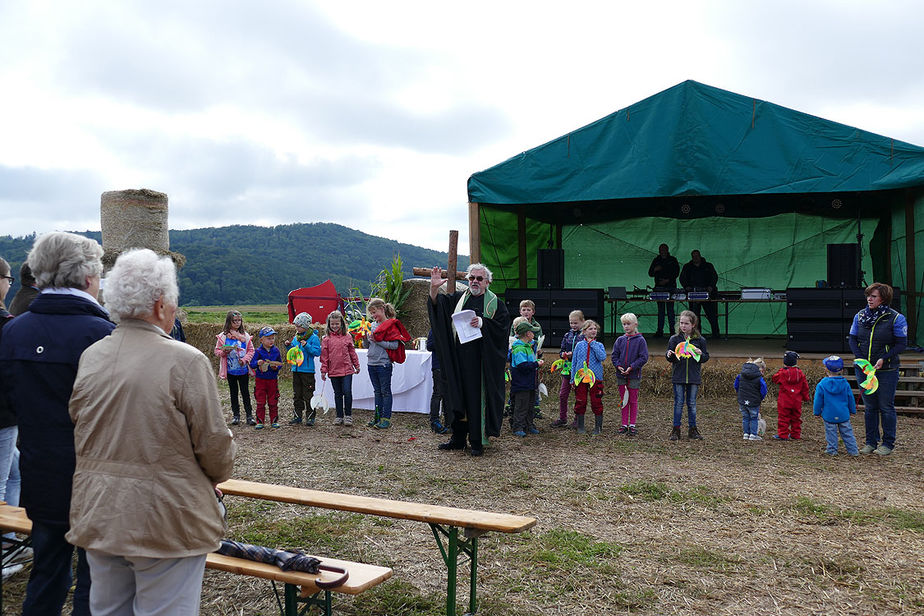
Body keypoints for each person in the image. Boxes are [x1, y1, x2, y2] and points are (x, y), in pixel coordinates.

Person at [66, 248, 236, 615]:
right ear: (161, 306)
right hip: (165, 519)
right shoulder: (185, 359)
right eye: (174, 303)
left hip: (100, 513)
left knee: (107, 609)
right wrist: (214, 474)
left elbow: (80, 425)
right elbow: (215, 447)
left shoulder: (93, 355)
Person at [0, 231, 115, 615]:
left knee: (47, 573)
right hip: (95, 479)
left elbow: (8, 405)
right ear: (87, 278)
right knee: (95, 581)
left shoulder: (13, 331)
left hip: (39, 473)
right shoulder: (103, 335)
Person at [428, 264, 510, 457]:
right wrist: (433, 288)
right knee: (457, 396)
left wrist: (483, 323)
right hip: (458, 358)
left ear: (487, 282)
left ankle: (476, 441)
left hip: (481, 362)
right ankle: (457, 438)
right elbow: (437, 307)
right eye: (471, 278)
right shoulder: (459, 299)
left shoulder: (495, 304)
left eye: (479, 279)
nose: (474, 281)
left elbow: (502, 330)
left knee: (475, 400)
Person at [848, 282, 907, 456]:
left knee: (886, 406)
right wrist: (860, 359)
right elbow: (852, 338)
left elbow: (901, 344)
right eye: (868, 295)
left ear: (883, 298)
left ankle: (888, 443)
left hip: (887, 369)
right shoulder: (860, 316)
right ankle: (870, 442)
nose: (869, 299)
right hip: (864, 369)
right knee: (870, 406)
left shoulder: (896, 318)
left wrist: (884, 358)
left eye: (873, 296)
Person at [666, 310, 709, 441]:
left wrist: (700, 353)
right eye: (681, 323)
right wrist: (669, 355)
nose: (683, 326)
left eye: (686, 323)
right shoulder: (674, 339)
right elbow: (670, 358)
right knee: (678, 403)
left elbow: (705, 357)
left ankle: (693, 429)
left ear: (693, 324)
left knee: (692, 403)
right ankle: (676, 429)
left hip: (693, 377)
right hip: (678, 376)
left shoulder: (700, 340)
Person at [365, 298, 405, 429]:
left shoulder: (391, 325)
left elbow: (394, 345)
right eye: (371, 313)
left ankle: (385, 418)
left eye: (374, 312)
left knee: (385, 391)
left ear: (382, 309)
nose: (373, 315)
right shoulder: (372, 325)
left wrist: (377, 341)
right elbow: (369, 345)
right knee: (377, 391)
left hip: (383, 364)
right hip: (371, 362)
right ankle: (377, 417)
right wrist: (366, 338)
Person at [215, 310, 256, 426]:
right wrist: (224, 351)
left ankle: (249, 415)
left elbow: (251, 350)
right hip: (230, 371)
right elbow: (217, 351)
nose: (237, 323)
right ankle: (236, 416)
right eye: (235, 321)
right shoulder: (223, 337)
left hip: (242, 370)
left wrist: (245, 360)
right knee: (233, 393)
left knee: (245, 393)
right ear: (229, 322)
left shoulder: (245, 336)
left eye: (239, 320)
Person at [611, 312, 649, 436]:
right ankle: (623, 424)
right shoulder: (620, 340)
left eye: (628, 324)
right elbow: (614, 356)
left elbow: (643, 357)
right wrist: (619, 366)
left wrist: (632, 367)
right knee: (624, 400)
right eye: (624, 324)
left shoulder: (640, 340)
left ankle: (632, 424)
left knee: (632, 399)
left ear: (635, 324)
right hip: (621, 375)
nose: (626, 326)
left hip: (634, 375)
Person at [320, 310, 360, 426]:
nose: (335, 326)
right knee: (337, 393)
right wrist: (324, 370)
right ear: (329, 324)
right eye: (332, 324)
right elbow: (324, 356)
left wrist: (356, 365)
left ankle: (348, 415)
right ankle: (339, 416)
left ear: (341, 323)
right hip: (333, 371)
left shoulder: (347, 337)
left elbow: (352, 352)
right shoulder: (326, 339)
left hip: (347, 369)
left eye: (337, 324)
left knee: (347, 392)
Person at [813, 355, 859, 456]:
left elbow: (818, 400)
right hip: (843, 413)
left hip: (829, 414)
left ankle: (832, 450)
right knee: (847, 433)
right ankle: (853, 450)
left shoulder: (822, 384)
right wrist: (852, 410)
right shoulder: (845, 384)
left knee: (831, 433)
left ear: (826, 369)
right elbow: (850, 398)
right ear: (841, 370)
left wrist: (817, 412)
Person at [508, 299, 544, 417]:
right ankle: (512, 405)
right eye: (524, 309)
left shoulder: (536, 326)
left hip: (532, 355)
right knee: (518, 383)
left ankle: (535, 406)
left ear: (533, 312)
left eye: (528, 310)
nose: (526, 312)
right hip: (522, 358)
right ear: (520, 311)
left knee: (534, 381)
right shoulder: (516, 324)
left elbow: (538, 340)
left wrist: (538, 352)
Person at [285, 312, 322, 426]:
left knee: (308, 394)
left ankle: (310, 417)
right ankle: (297, 416)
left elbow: (317, 352)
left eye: (299, 326)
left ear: (305, 326)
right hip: (296, 370)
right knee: (297, 394)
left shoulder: (314, 338)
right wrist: (288, 346)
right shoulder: (296, 337)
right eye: (296, 326)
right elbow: (294, 352)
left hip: (307, 371)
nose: (296, 328)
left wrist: (307, 345)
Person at [509, 318, 543, 437]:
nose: (534, 334)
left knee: (530, 405)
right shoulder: (519, 349)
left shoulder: (528, 347)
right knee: (521, 406)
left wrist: (536, 360)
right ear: (528, 334)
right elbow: (522, 366)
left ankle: (529, 425)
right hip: (521, 384)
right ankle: (517, 427)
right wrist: (536, 364)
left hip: (530, 383)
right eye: (532, 332)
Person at [572, 320, 606, 435]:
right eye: (590, 329)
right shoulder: (579, 345)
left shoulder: (599, 345)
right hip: (581, 377)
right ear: (584, 331)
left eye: (595, 329)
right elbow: (574, 362)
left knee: (596, 401)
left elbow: (602, 357)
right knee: (581, 400)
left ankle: (598, 427)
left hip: (595, 378)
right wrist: (573, 378)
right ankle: (580, 426)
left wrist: (593, 345)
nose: (593, 331)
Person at [552, 310, 584, 428]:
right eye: (571, 323)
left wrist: (574, 354)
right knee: (563, 394)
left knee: (578, 395)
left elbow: (585, 353)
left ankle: (577, 419)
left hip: (579, 370)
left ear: (582, 322)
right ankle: (562, 418)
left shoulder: (584, 336)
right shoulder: (567, 335)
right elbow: (561, 351)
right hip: (567, 369)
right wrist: (564, 355)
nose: (573, 325)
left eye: (576, 323)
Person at [679, 249, 721, 338]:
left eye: (697, 256)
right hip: (693, 295)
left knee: (712, 315)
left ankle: (716, 334)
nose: (695, 258)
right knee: (694, 317)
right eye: (693, 256)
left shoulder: (708, 266)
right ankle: (697, 335)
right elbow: (682, 278)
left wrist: (711, 286)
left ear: (700, 256)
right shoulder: (687, 267)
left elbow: (714, 277)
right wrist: (687, 287)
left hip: (708, 294)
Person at [771, 351, 810, 440]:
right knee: (796, 418)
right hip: (797, 401)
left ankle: (783, 435)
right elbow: (805, 387)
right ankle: (795, 434)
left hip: (784, 401)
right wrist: (806, 397)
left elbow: (774, 378)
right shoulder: (800, 373)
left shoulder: (782, 373)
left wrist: (782, 370)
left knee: (783, 418)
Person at [250, 326, 283, 429]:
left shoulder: (276, 351)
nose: (271, 340)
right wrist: (257, 362)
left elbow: (280, 363)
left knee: (273, 400)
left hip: (272, 379)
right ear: (261, 340)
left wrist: (276, 367)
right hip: (261, 380)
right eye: (268, 338)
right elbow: (252, 364)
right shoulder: (258, 351)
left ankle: (274, 420)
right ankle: (260, 421)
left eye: (273, 338)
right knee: (260, 401)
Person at [648, 244, 680, 337]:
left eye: (664, 249)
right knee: (660, 310)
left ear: (667, 250)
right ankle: (660, 331)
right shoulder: (656, 260)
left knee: (670, 310)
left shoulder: (672, 260)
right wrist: (655, 269)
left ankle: (672, 331)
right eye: (661, 250)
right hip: (659, 288)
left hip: (670, 287)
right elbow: (650, 273)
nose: (662, 251)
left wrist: (668, 280)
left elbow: (676, 272)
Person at [734, 358, 768, 441]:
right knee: (754, 418)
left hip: (742, 400)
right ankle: (753, 434)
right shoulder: (759, 378)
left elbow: (736, 385)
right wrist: (760, 398)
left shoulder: (741, 375)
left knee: (745, 417)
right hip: (754, 401)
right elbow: (764, 389)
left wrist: (740, 394)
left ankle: (746, 433)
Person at [426, 329, 449, 434]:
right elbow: (429, 346)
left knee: (448, 395)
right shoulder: (435, 329)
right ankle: (434, 420)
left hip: (450, 367)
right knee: (438, 393)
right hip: (438, 366)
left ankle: (449, 421)